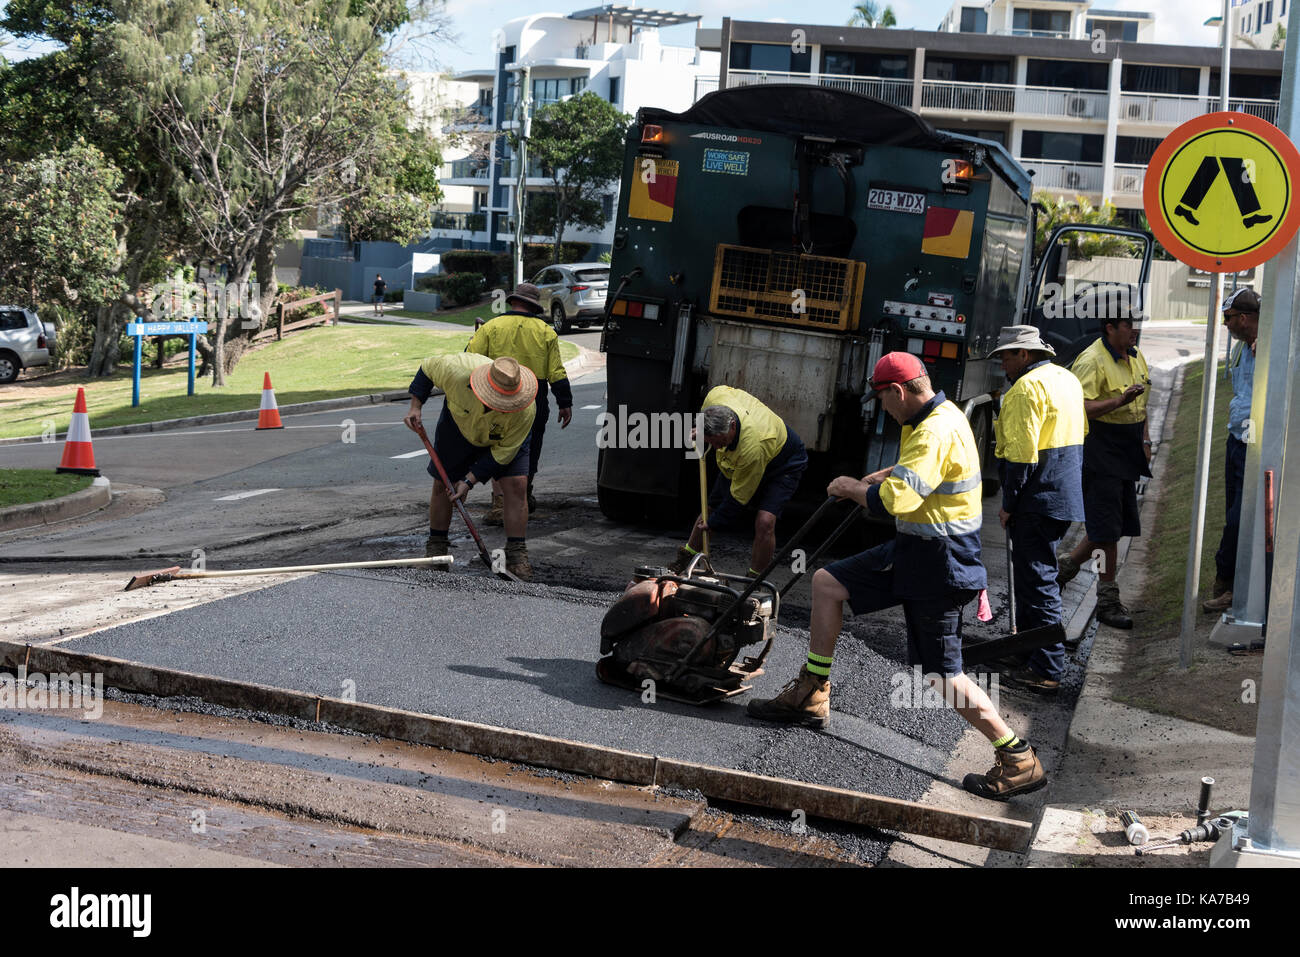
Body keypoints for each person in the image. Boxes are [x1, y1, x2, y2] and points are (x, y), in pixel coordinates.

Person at [747, 352, 1046, 801]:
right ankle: (813, 690)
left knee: (941, 673)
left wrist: (853, 488)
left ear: (899, 391)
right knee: (828, 582)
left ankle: (1018, 756)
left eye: (882, 399)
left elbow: (896, 502)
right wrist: (884, 473)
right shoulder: (943, 414)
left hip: (940, 564)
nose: (882, 408)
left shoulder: (933, 429)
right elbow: (923, 473)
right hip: (915, 550)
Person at [988, 326, 1086, 695]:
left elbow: (1021, 456)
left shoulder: (1024, 390)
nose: (1003, 364)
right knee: (1033, 579)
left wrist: (1009, 505)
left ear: (1025, 355)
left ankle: (1046, 668)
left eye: (1007, 356)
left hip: (1036, 497)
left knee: (1039, 582)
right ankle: (1026, 651)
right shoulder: (1067, 379)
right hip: (1063, 493)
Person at [403, 353, 537, 580]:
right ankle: (437, 553)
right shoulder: (456, 370)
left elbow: (503, 454)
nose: (499, 407)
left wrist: (469, 481)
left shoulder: (525, 410)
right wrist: (416, 406)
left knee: (517, 485)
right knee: (442, 485)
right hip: (458, 430)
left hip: (503, 440)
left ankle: (516, 555)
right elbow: (427, 368)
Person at [1057, 316, 1152, 629]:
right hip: (1099, 448)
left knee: (1113, 525)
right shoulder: (1092, 360)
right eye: (1128, 324)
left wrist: (1145, 438)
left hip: (1127, 448)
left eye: (1136, 323)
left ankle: (1064, 568)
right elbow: (1077, 406)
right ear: (1110, 328)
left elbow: (1143, 403)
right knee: (1106, 530)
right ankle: (1107, 600)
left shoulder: (1136, 356)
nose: (1135, 329)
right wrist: (1118, 401)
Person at [671, 386, 808, 578]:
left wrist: (715, 523)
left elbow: (738, 498)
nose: (717, 447)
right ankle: (684, 560)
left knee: (765, 521)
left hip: (783, 462)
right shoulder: (714, 397)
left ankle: (755, 580)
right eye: (713, 443)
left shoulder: (751, 448)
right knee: (708, 508)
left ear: (733, 426)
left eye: (721, 442)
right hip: (743, 455)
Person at [466, 282, 573, 523]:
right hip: (533, 398)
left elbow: (469, 360)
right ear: (533, 305)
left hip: (496, 396)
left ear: (513, 301)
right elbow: (556, 371)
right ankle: (523, 496)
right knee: (529, 448)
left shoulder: (491, 327)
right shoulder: (545, 331)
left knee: (497, 446)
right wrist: (564, 402)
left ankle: (499, 504)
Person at [1204, 287, 1260, 613]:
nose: (1225, 325)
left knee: (1241, 518)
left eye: (1227, 318)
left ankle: (1230, 582)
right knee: (1232, 516)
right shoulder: (1240, 348)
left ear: (1243, 318)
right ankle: (1227, 583)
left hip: (1256, 441)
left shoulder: (1274, 345)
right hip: (1235, 440)